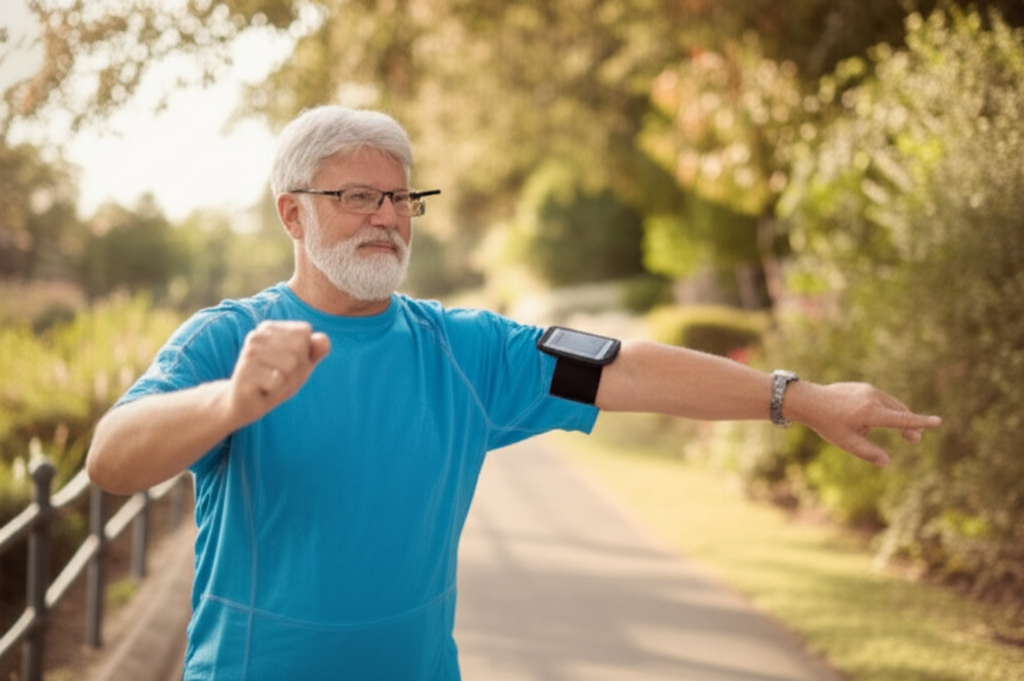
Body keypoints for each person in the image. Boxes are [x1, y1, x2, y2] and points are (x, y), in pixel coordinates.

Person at [85, 105, 941, 681]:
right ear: (292, 214)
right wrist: (229, 405)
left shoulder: (465, 351)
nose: (387, 216)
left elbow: (626, 367)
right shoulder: (229, 340)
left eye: (400, 196)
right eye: (356, 197)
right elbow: (110, 461)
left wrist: (800, 397)